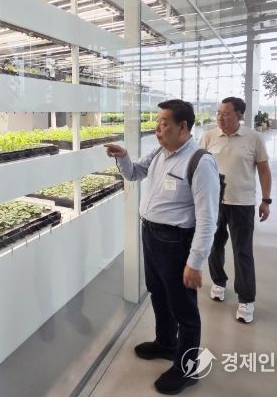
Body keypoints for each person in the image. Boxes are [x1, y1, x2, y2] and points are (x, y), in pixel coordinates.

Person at [104, 99, 220, 395]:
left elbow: (208, 220)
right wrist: (124, 156)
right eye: (157, 123)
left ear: (183, 127)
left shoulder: (200, 162)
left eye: (164, 123)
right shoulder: (160, 152)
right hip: (152, 236)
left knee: (184, 309)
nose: (157, 128)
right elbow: (133, 173)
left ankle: (186, 369)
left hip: (176, 243)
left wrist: (195, 262)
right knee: (159, 294)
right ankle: (166, 343)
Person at [199, 97, 272, 324]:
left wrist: (266, 200)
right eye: (218, 113)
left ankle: (246, 299)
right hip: (213, 202)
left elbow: (264, 171)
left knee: (243, 252)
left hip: (242, 204)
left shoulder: (253, 138)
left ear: (239, 115)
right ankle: (219, 282)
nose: (220, 117)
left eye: (226, 114)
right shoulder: (209, 136)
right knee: (214, 246)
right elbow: (197, 168)